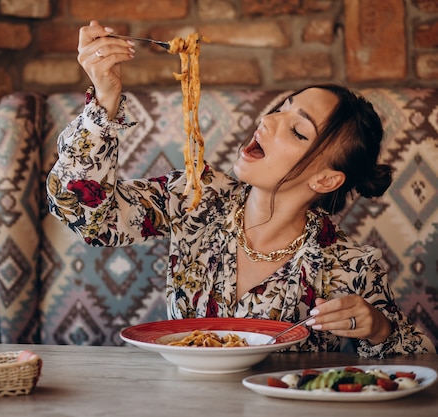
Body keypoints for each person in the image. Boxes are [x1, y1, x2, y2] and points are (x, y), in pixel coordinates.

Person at [46, 21, 436, 357]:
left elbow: (420, 368)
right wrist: (106, 95)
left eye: (298, 131)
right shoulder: (195, 195)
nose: (268, 120)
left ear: (326, 180)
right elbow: (86, 215)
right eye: (282, 107)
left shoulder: (349, 265)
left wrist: (379, 330)